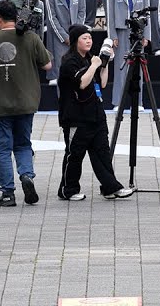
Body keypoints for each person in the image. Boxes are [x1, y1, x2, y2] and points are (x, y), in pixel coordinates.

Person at [0, 0, 51, 208]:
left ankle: (8, 192)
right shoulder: (31, 37)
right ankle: (27, 175)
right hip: (26, 102)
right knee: (23, 144)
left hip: (0, 104)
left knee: (2, 148)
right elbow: (47, 64)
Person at [57, 24, 133, 201]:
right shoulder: (69, 61)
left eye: (90, 38)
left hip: (96, 115)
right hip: (76, 117)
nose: (88, 41)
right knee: (74, 154)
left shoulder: (91, 59)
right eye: (84, 38)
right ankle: (67, 190)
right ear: (75, 41)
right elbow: (82, 83)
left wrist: (105, 64)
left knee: (102, 153)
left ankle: (110, 187)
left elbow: (102, 83)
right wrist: (94, 65)